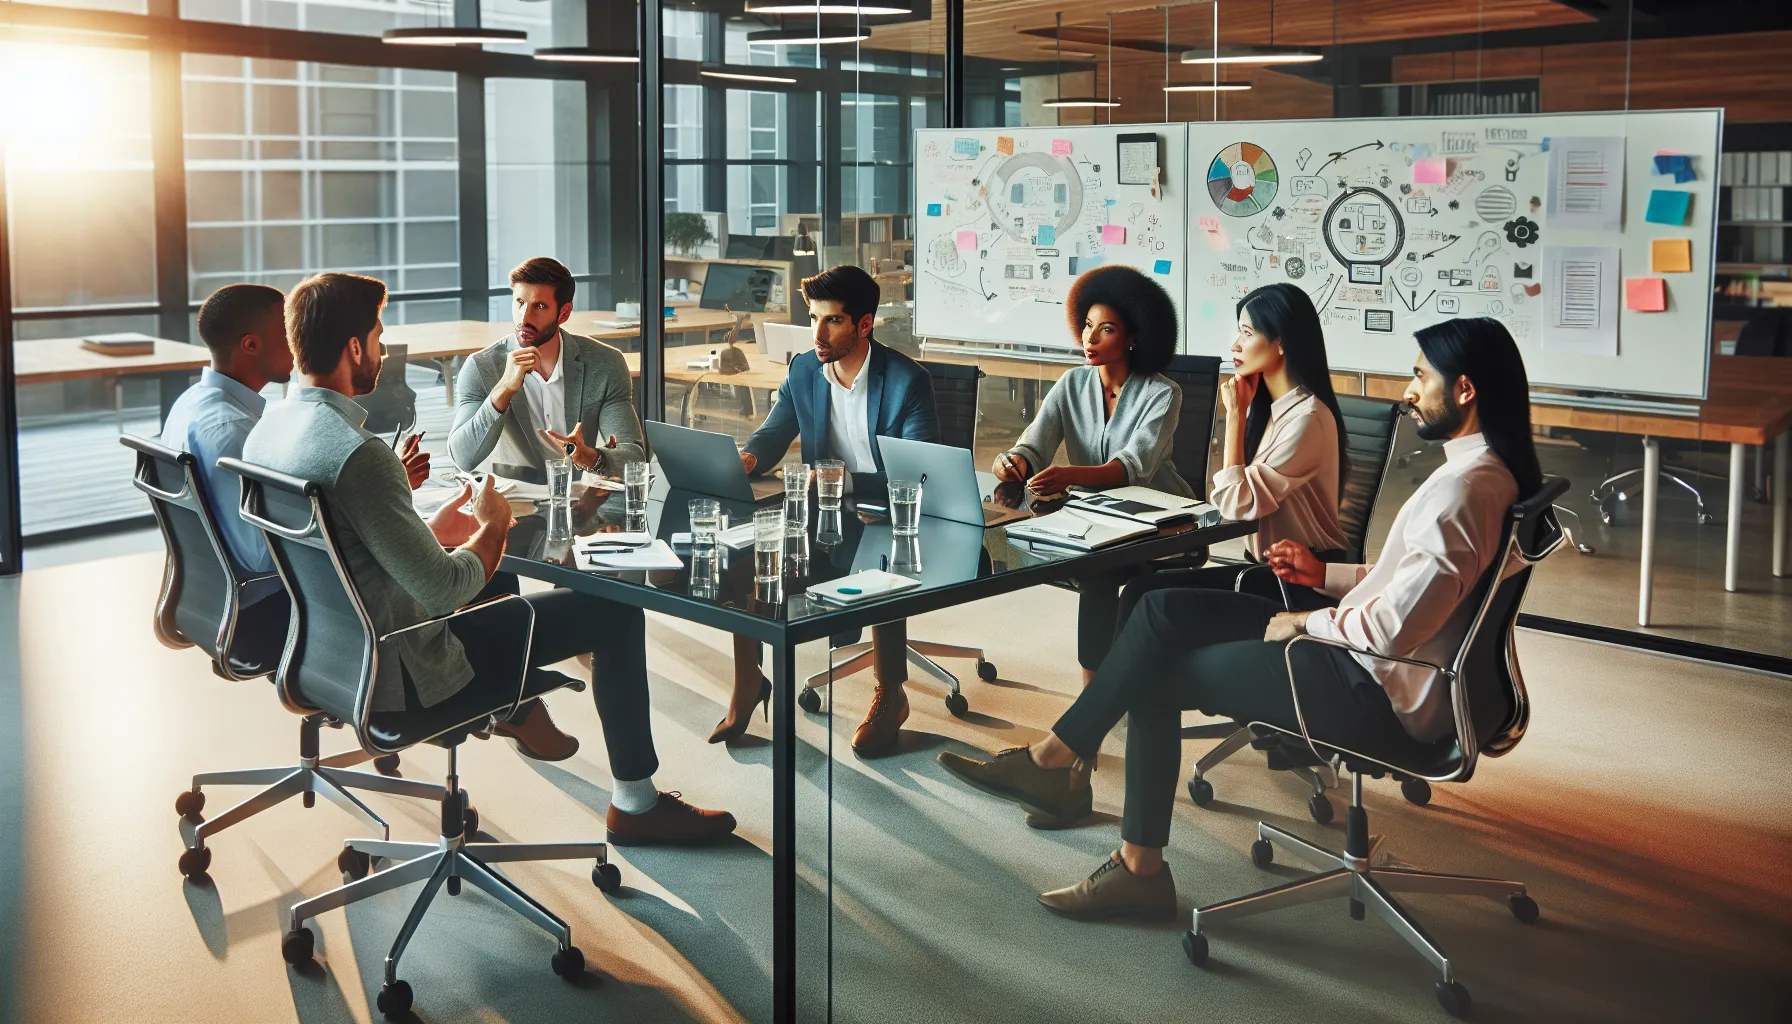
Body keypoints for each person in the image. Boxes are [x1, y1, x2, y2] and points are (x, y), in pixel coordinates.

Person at [939, 317, 1542, 921]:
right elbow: (1404, 580)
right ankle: (1056, 759)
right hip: (1378, 662)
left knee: (1155, 668)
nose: (1409, 391)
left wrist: (1305, 623)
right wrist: (1324, 575)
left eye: (1420, 377)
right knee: (1159, 608)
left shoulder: (1461, 491)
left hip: (1372, 686)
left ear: (1464, 389)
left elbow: (1390, 629)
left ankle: (1130, 861)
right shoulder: (1488, 474)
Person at [243, 272, 735, 845]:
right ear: (354, 347)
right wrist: (493, 525)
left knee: (505, 584)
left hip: (325, 656)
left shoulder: (268, 430)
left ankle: (519, 712)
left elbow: (349, 552)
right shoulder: (360, 454)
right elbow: (446, 589)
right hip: (407, 669)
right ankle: (636, 805)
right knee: (615, 613)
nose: (381, 348)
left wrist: (433, 531)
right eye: (377, 336)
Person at [726, 264, 940, 754]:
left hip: (889, 514)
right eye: (813, 319)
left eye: (833, 321)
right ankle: (748, 680)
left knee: (881, 566)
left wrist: (847, 481)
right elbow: (774, 431)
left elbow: (919, 474)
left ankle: (891, 693)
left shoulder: (907, 380)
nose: (818, 334)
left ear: (864, 324)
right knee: (748, 557)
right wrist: (749, 457)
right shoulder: (805, 368)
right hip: (824, 510)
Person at [1108, 283, 1351, 638]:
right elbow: (1232, 498)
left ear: (1281, 342)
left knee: (1151, 601)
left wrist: (1235, 415)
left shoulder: (1306, 419)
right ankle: (1109, 677)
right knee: (1140, 592)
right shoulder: (1275, 409)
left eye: (1247, 333)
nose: (1235, 345)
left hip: (1300, 584)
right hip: (1266, 571)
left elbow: (1235, 506)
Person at [991, 265, 1185, 686]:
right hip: (1093, 519)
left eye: (1107, 329)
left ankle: (1092, 691)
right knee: (1013, 545)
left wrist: (1068, 475)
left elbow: (1134, 468)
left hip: (1160, 524)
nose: (1090, 338)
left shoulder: (1162, 393)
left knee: (1097, 573)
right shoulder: (1071, 384)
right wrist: (1013, 462)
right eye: (1088, 325)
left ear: (1134, 337)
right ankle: (1099, 689)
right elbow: (1033, 445)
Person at [448, 256, 645, 481]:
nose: (524, 317)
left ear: (564, 313)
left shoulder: (605, 363)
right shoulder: (481, 367)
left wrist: (588, 457)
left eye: (540, 306)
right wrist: (503, 389)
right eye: (519, 302)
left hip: (578, 496)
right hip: (513, 499)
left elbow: (634, 458)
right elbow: (462, 458)